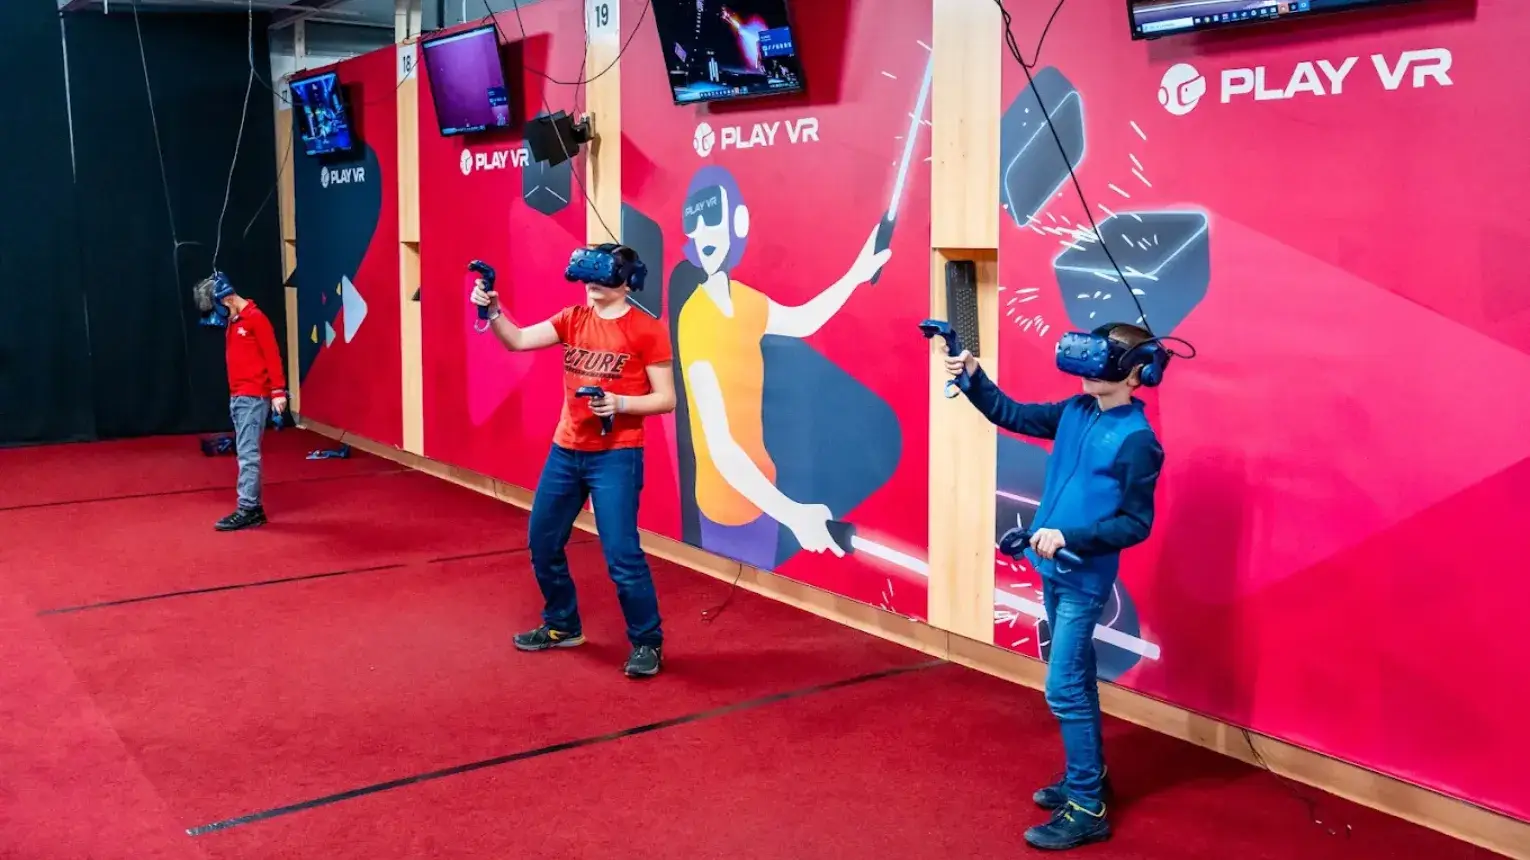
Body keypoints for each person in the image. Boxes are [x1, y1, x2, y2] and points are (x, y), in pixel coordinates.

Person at [945, 323, 1165, 852]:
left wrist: (1070, 537)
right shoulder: (1076, 410)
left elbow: (1136, 524)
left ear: (1136, 374)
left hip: (1084, 579)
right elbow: (1014, 415)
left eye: (1104, 359)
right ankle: (1088, 777)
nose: (1088, 366)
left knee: (1063, 687)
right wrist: (973, 376)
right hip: (1053, 571)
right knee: (1079, 679)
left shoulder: (1138, 441)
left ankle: (1087, 808)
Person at [471, 248, 677, 678]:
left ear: (628, 282)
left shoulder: (646, 330)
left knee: (622, 555)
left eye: (602, 278)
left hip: (617, 455)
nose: (592, 286)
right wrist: (493, 311)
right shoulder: (572, 319)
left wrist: (619, 403)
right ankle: (562, 625)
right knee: (543, 543)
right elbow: (517, 341)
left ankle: (647, 642)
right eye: (588, 278)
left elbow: (666, 399)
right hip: (566, 451)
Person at [205, 276, 288, 531]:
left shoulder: (256, 319)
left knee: (248, 454)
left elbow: (272, 354)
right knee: (245, 451)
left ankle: (248, 509)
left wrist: (278, 391)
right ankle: (254, 509)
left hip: (253, 396)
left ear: (229, 299)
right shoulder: (235, 321)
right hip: (239, 397)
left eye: (221, 308)